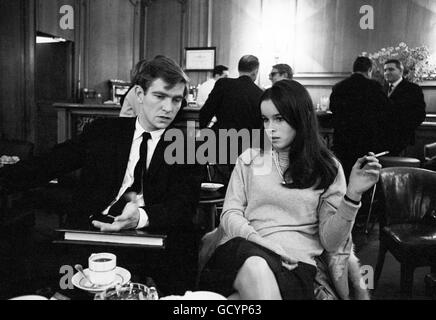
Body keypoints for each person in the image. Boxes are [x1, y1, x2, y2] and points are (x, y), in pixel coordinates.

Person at [0, 57, 202, 295]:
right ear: (139, 94)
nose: (169, 108)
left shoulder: (187, 148)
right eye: (160, 96)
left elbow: (183, 206)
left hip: (151, 239)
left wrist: (140, 217)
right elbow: (48, 164)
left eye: (176, 100)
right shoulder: (103, 132)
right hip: (89, 233)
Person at [198, 80, 381, 300]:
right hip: (245, 248)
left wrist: (353, 196)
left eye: (279, 119)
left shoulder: (327, 167)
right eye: (265, 119)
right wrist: (258, 240)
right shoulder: (249, 159)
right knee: (256, 264)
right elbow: (230, 213)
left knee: (238, 298)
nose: (270, 129)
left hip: (296, 266)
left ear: (299, 118)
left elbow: (331, 241)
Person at [199, 55, 263, 184]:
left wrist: (204, 131)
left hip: (219, 143)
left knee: (218, 182)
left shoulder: (223, 84)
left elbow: (205, 113)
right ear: (255, 72)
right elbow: (260, 126)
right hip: (247, 148)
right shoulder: (260, 94)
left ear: (239, 69)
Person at [329, 56, 391, 179]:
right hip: (366, 140)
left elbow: (333, 109)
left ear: (354, 69)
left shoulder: (338, 87)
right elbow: (385, 112)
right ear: (369, 69)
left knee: (344, 174)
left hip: (343, 139)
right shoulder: (375, 87)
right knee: (364, 175)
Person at [383, 59, 426, 155]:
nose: (387, 73)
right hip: (383, 140)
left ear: (401, 71)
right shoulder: (381, 89)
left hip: (403, 141)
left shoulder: (413, 89)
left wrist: (404, 130)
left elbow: (420, 115)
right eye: (385, 70)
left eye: (391, 69)